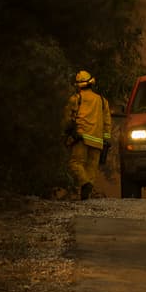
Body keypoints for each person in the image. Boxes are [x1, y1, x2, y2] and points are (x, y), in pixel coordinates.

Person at [63, 70, 112, 200]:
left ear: (78, 85)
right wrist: (106, 139)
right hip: (97, 140)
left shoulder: (75, 99)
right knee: (91, 168)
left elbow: (67, 119)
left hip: (81, 138)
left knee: (74, 164)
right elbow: (107, 122)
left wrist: (66, 132)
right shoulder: (103, 101)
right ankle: (86, 195)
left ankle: (85, 184)